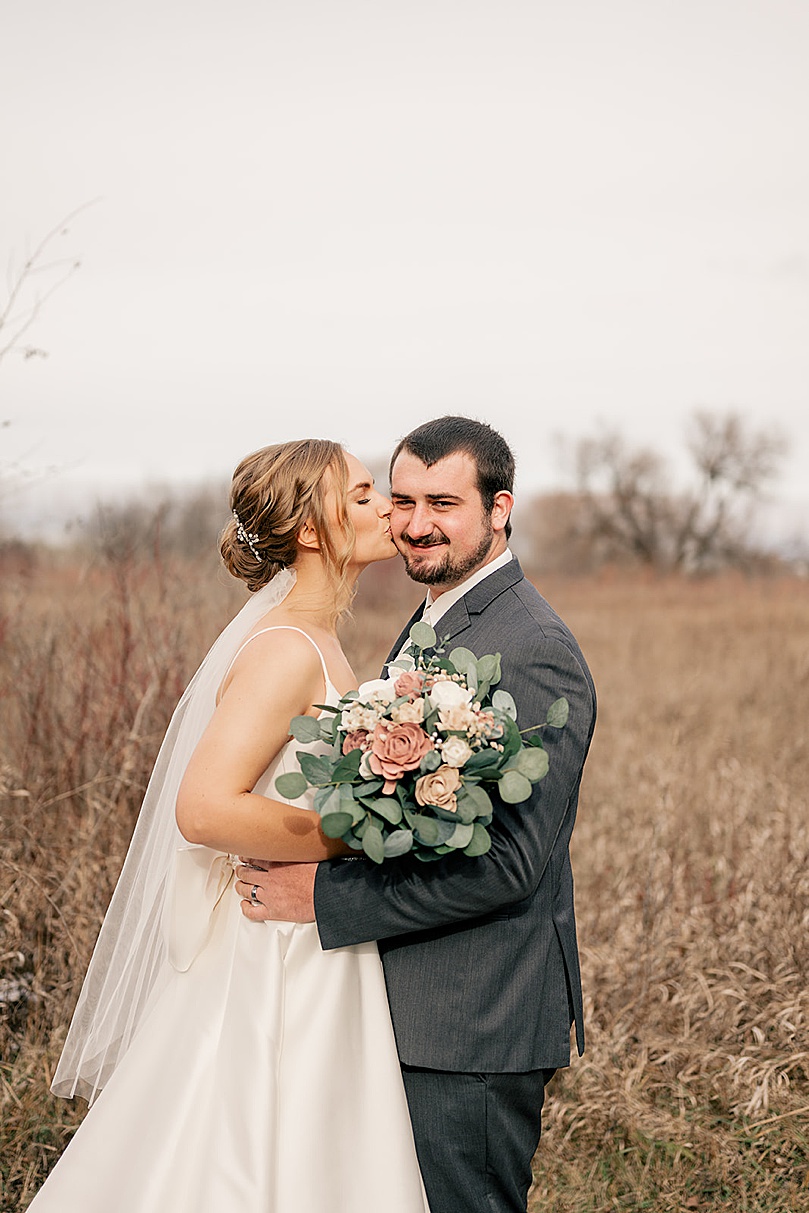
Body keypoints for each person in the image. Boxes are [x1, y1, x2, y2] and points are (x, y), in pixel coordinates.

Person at [29, 439, 430, 1213]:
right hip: (275, 950)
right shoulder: (286, 648)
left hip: (312, 938)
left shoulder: (316, 637)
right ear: (311, 530)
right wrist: (355, 834)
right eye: (359, 494)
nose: (385, 506)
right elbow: (204, 807)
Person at [238, 416, 597, 1213]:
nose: (415, 523)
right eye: (400, 499)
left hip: (472, 1015)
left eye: (443, 501)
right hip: (408, 1003)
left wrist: (323, 896)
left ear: (499, 509)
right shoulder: (436, 617)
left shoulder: (531, 643)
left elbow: (507, 864)